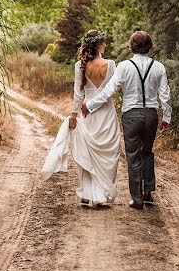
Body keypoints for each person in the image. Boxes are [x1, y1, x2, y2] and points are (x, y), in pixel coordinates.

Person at [81, 31, 171, 210]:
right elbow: (165, 95)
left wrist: (90, 105)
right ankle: (148, 192)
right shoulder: (159, 67)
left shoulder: (124, 66)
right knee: (147, 152)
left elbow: (109, 91)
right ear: (149, 46)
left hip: (131, 115)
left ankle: (137, 199)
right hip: (151, 114)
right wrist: (167, 117)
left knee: (133, 156)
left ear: (132, 47)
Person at [40, 30, 121, 207]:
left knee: (86, 153)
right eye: (104, 43)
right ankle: (102, 194)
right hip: (106, 113)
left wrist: (74, 115)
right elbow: (111, 91)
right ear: (99, 45)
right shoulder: (112, 65)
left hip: (87, 113)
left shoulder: (80, 65)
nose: (106, 46)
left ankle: (86, 194)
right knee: (107, 154)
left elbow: (78, 94)